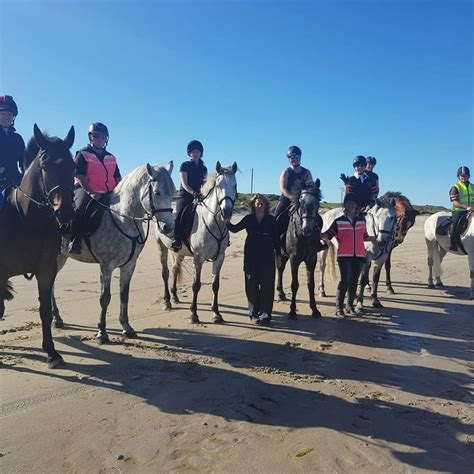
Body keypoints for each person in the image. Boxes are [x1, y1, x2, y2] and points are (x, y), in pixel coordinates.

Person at [228, 194, 281, 325]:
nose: (259, 206)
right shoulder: (248, 218)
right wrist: (226, 221)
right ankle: (253, 313)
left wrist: (278, 255)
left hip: (267, 256)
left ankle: (265, 314)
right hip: (251, 256)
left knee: (267, 286)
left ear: (266, 206)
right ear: (253, 205)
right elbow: (234, 229)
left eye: (262, 203)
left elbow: (276, 239)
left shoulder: (271, 220)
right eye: (257, 203)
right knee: (251, 285)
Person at [69, 122, 122, 254]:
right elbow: (79, 175)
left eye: (103, 137)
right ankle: (75, 241)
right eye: (97, 136)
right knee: (80, 208)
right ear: (90, 137)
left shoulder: (111, 157)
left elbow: (118, 178)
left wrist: (120, 192)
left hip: (109, 192)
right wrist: (90, 192)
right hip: (86, 190)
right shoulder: (82, 154)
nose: (100, 139)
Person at [321, 193, 376, 317]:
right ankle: (339, 308)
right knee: (344, 281)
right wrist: (317, 233)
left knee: (353, 281)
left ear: (356, 205)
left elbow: (365, 236)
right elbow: (328, 235)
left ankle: (349, 306)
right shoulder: (339, 221)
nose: (352, 205)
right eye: (349, 203)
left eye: (353, 203)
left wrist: (375, 238)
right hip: (344, 256)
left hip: (359, 256)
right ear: (345, 205)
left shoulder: (361, 221)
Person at [171, 140, 208, 251]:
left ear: (200, 153)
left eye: (197, 151)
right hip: (185, 195)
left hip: (199, 195)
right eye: (193, 152)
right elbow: (184, 183)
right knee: (180, 214)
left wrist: (203, 193)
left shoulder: (204, 168)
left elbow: (204, 184)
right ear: (189, 153)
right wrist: (193, 193)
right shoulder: (185, 165)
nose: (195, 153)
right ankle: (176, 239)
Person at [274, 145, 314, 234]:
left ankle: (317, 240)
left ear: (300, 157)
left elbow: (311, 187)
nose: (294, 159)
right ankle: (273, 241)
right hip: (288, 199)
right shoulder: (286, 172)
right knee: (276, 217)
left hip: (303, 199)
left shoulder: (307, 172)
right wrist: (292, 197)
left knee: (314, 216)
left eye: (296, 156)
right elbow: (283, 188)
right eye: (291, 157)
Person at [0, 95, 25, 191]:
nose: (6, 117)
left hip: (15, 180)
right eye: (3, 114)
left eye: (9, 115)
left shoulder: (17, 138)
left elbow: (24, 162)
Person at [449, 166, 472, 251]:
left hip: (472, 210)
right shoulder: (455, 187)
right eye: (461, 175)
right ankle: (453, 244)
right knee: (455, 226)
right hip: (459, 211)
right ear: (458, 176)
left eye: (465, 175)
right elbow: (455, 202)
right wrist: (466, 207)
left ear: (468, 176)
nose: (463, 176)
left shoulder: (473, 187)